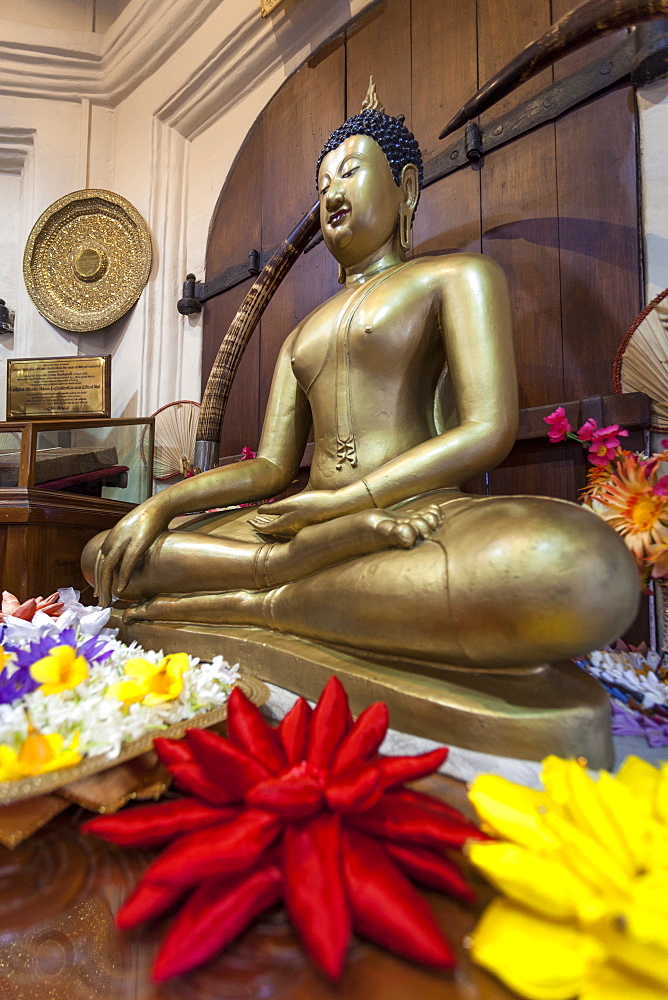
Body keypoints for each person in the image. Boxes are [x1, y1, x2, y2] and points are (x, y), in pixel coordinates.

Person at [83, 93, 638, 669]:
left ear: (408, 187)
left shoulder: (457, 276)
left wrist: (342, 506)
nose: (331, 193)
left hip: (411, 511)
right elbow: (271, 469)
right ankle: (271, 581)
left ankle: (251, 599)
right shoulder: (300, 333)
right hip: (301, 528)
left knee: (571, 563)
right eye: (322, 185)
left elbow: (487, 429)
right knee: (108, 553)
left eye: (349, 172)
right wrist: (160, 506)